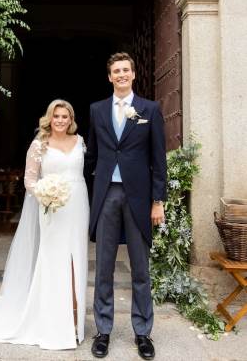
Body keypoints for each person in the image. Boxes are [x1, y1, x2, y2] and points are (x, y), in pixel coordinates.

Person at [0, 99, 89, 350]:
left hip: (78, 204)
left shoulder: (80, 142)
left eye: (65, 116)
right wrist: (46, 193)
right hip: (51, 206)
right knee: (53, 259)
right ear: (49, 119)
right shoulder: (39, 145)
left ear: (71, 119)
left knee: (78, 258)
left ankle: (75, 320)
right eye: (57, 116)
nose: (61, 121)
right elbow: (29, 181)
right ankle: (52, 321)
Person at [84, 53, 167, 360]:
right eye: (115, 71)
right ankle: (103, 331)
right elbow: (92, 156)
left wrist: (157, 201)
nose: (120, 75)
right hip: (106, 195)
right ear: (109, 77)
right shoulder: (97, 110)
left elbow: (158, 158)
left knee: (140, 269)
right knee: (103, 267)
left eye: (125, 70)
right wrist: (85, 193)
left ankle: (143, 332)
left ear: (133, 74)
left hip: (139, 197)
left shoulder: (149, 110)